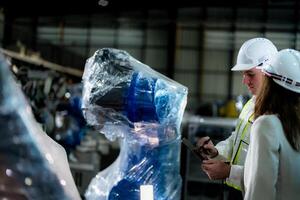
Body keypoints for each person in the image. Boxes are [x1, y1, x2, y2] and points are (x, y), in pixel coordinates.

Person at [196, 37, 278, 199]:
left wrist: (229, 172)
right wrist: (216, 152)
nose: (244, 81)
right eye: (243, 74)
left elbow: (275, 173)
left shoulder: (280, 113)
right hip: (236, 191)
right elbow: (237, 140)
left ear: (268, 71)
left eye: (250, 74)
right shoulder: (251, 104)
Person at [243, 48, 300, 199]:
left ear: (269, 84)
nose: (245, 81)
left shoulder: (268, 125)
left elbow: (260, 191)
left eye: (250, 74)